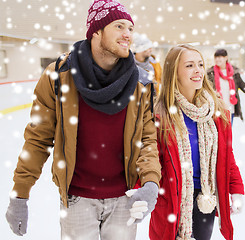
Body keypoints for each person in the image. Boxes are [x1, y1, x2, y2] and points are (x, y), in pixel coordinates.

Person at [5, 0, 161, 239]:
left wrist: (150, 182)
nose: (128, 34)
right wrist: (20, 194)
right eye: (119, 26)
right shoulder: (59, 75)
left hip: (124, 199)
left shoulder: (141, 83)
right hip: (77, 199)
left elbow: (147, 138)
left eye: (130, 28)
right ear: (96, 31)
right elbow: (37, 139)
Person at [150, 44, 245, 240]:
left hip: (205, 199)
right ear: (174, 72)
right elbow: (150, 160)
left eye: (200, 64)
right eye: (189, 65)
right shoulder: (160, 115)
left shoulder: (217, 112)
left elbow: (227, 155)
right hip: (171, 199)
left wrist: (236, 188)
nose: (198, 71)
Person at [207, 48, 245, 124]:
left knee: (228, 134)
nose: (217, 59)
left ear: (226, 58)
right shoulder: (210, 73)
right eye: (216, 57)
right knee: (217, 135)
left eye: (220, 57)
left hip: (230, 109)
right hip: (217, 110)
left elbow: (244, 87)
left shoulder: (234, 73)